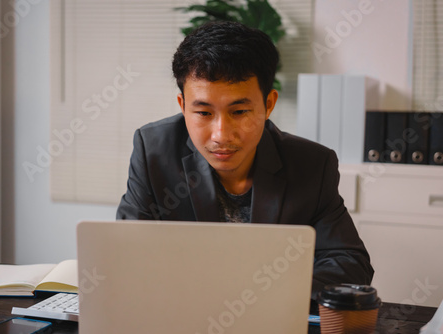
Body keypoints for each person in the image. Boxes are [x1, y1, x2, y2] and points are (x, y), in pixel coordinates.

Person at [117, 21, 374, 303]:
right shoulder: (153, 150)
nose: (221, 135)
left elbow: (350, 264)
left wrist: (258, 294)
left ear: (268, 105)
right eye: (203, 113)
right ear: (182, 105)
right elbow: (128, 253)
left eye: (239, 111)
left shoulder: (312, 164)